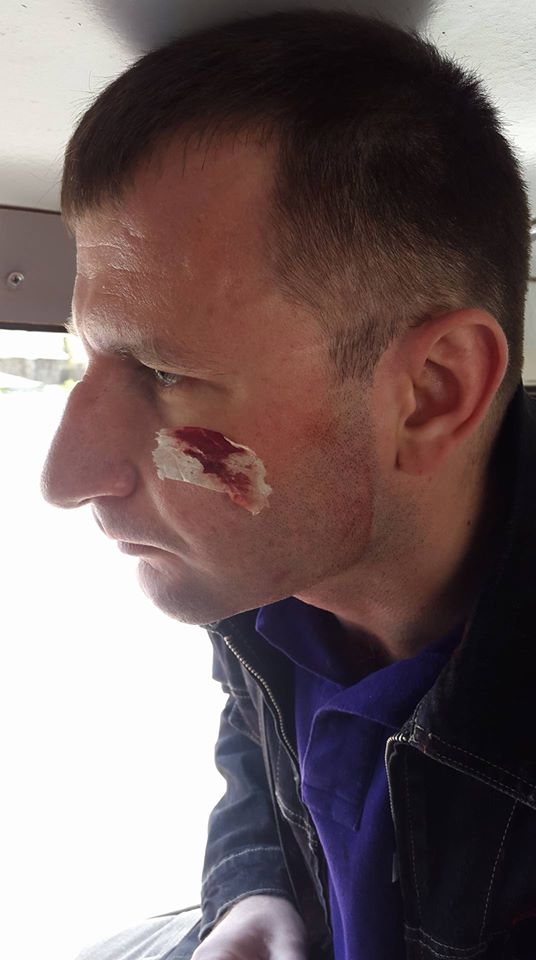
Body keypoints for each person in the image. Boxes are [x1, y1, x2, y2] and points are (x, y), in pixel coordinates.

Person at [40, 9, 536, 960]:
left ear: (431, 394)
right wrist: (253, 890)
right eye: (85, 360)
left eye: (166, 372)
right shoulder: (268, 581)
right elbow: (257, 735)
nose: (66, 478)